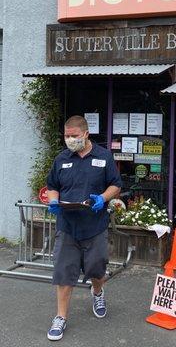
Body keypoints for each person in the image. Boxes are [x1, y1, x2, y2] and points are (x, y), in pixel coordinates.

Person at [46, 115, 121, 341]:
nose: (69, 140)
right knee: (64, 273)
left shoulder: (103, 156)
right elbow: (52, 186)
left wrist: (102, 198)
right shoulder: (61, 159)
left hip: (95, 226)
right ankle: (60, 317)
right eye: (67, 136)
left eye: (74, 136)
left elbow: (116, 184)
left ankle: (97, 292)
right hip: (68, 226)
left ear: (86, 134)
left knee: (97, 269)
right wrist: (53, 201)